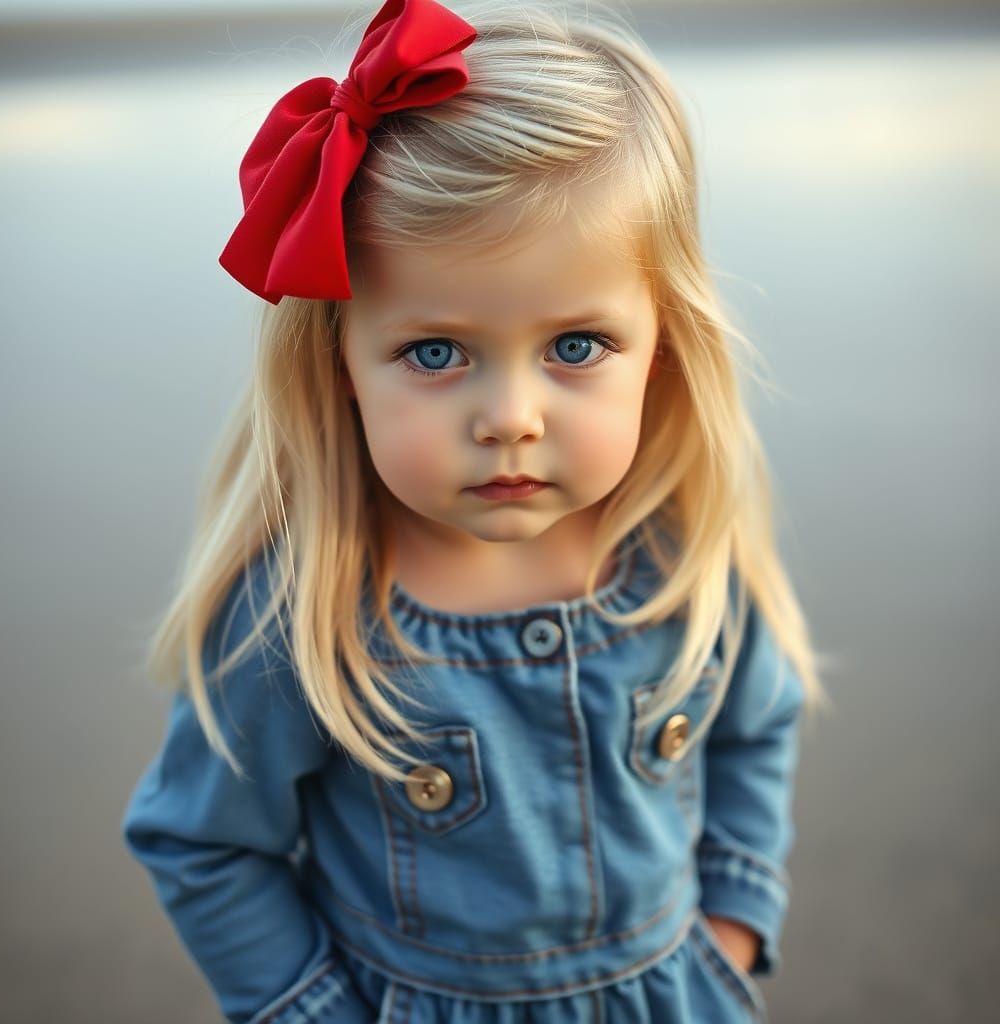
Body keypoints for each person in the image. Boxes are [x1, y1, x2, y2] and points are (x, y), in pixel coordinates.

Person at [121, 0, 828, 1021]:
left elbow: (756, 725)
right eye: (436, 352)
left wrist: (733, 922)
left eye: (575, 345)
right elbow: (202, 841)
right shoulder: (302, 613)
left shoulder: (680, 559)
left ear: (663, 344)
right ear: (344, 364)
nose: (508, 418)